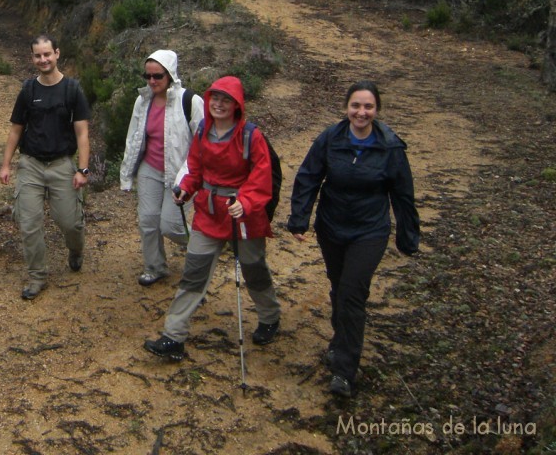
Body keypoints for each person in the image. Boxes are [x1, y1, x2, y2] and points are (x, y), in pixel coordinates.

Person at [286, 81, 419, 398]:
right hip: (331, 226)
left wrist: (408, 235)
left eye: (368, 106)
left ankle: (344, 371)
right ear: (346, 108)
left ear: (377, 110)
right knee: (338, 284)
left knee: (351, 293)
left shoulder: (390, 147)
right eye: (356, 105)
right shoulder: (331, 139)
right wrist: (299, 219)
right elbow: (308, 177)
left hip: (369, 231)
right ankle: (339, 340)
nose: (361, 112)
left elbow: (403, 194)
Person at [144, 76, 281, 361]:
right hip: (209, 212)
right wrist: (186, 189)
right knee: (194, 272)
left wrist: (246, 202)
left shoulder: (250, 136)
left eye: (225, 99)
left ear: (237, 105)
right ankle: (174, 335)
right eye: (215, 98)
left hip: (242, 215)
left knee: (253, 268)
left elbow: (261, 177)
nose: (218, 104)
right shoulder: (204, 129)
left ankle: (269, 317)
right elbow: (195, 168)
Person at [0, 34, 91, 300]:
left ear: (57, 54)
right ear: (33, 58)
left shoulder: (72, 90)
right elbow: (16, 130)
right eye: (38, 55)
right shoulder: (28, 90)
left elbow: (83, 133)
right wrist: (6, 164)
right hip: (31, 165)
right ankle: (37, 276)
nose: (43, 59)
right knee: (29, 223)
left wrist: (82, 169)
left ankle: (76, 250)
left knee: (70, 222)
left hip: (62, 165)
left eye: (47, 54)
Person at [120, 51, 204, 287]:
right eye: (147, 76)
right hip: (150, 168)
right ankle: (154, 266)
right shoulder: (142, 101)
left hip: (180, 172)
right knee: (147, 220)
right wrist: (127, 174)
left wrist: (195, 175)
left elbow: (205, 140)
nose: (151, 81)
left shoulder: (190, 101)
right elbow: (133, 137)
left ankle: (203, 246)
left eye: (157, 76)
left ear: (170, 75)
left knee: (170, 224)